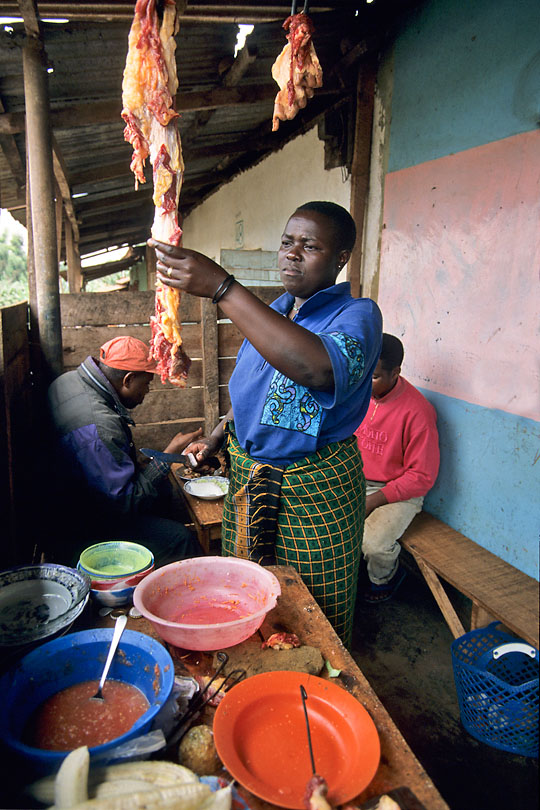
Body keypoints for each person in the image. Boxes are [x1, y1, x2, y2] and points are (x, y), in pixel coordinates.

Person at [149, 201, 383, 647]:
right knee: (250, 591)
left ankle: (315, 690)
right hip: (250, 475)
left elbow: (317, 369)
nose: (292, 254)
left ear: (341, 258)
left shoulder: (358, 316)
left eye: (309, 245)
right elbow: (253, 389)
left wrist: (222, 288)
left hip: (314, 485)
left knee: (312, 604)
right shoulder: (275, 312)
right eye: (286, 242)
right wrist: (219, 435)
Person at [46, 335, 204, 566]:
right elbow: (125, 504)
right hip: (81, 529)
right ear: (128, 380)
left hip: (73, 502)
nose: (147, 391)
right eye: (147, 383)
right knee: (180, 538)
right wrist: (167, 455)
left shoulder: (69, 380)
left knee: (163, 494)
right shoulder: (100, 427)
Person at [354, 333, 440, 603]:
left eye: (375, 376)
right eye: (363, 372)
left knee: (374, 545)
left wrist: (375, 500)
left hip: (399, 490)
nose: (366, 382)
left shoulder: (418, 412)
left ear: (396, 372)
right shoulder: (359, 396)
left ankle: (385, 581)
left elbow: (421, 477)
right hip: (359, 481)